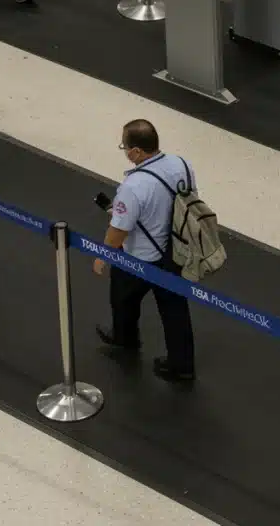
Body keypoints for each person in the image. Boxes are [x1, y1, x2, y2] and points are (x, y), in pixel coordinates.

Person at [93, 119, 196, 382]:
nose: (125, 152)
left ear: (137, 152)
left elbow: (119, 229)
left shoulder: (133, 186)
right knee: (175, 310)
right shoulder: (181, 164)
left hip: (139, 258)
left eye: (125, 147)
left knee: (122, 298)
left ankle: (125, 338)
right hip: (175, 253)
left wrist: (102, 256)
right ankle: (181, 364)